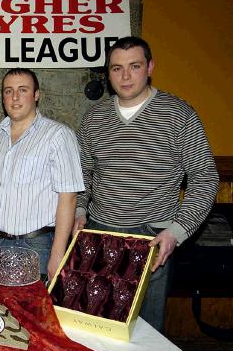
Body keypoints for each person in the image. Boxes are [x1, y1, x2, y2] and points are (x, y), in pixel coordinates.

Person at [74, 36, 219, 333]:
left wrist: (176, 232)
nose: (125, 76)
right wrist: (79, 210)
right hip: (100, 233)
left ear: (150, 67)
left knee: (146, 333)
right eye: (116, 68)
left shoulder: (180, 115)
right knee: (96, 327)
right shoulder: (93, 119)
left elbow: (205, 178)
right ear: (108, 72)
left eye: (134, 66)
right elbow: (83, 173)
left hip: (152, 238)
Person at [0, 68, 84, 279]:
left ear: (36, 95)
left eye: (22, 90)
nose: (14, 97)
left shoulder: (58, 136)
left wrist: (58, 253)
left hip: (36, 245)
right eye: (8, 91)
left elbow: (68, 197)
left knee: (31, 311)